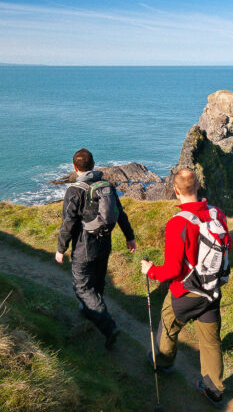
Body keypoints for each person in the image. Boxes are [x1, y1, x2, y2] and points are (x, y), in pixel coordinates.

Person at [140, 168, 231, 408]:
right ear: (198, 185)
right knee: (211, 341)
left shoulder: (177, 223)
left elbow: (171, 270)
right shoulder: (217, 214)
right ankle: (214, 390)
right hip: (211, 290)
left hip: (185, 292)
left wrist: (150, 270)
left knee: (168, 326)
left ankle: (163, 363)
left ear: (175, 191)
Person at [56, 148, 136, 349]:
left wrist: (60, 248)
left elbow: (68, 222)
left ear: (75, 168)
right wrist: (130, 237)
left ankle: (108, 326)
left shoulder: (74, 190)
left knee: (81, 286)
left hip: (84, 247)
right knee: (97, 282)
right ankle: (88, 310)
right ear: (93, 165)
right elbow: (120, 214)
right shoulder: (106, 185)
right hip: (104, 244)